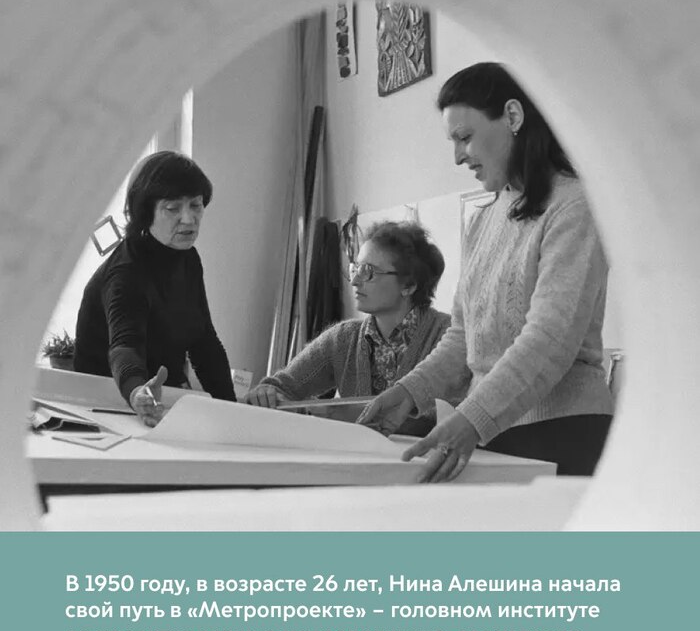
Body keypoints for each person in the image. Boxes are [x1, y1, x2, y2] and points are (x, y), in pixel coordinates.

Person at [359, 62, 613, 480]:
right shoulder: (484, 218)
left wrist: (473, 418)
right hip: (494, 431)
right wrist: (409, 391)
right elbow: (463, 337)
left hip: (564, 433)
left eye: (465, 137)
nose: (458, 156)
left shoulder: (574, 207)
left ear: (512, 116)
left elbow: (550, 340)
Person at [245, 221, 467, 435]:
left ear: (409, 286)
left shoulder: (451, 338)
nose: (354, 281)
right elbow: (283, 386)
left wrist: (340, 415)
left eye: (369, 271)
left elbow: (452, 419)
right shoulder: (343, 339)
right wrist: (267, 393)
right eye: (356, 268)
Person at [74, 151, 235, 426]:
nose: (189, 219)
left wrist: (232, 411)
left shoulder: (188, 258)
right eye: (173, 208)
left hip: (161, 396)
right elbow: (124, 347)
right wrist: (137, 391)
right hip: (107, 405)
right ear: (145, 212)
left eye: (196, 205)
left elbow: (204, 342)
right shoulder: (126, 271)